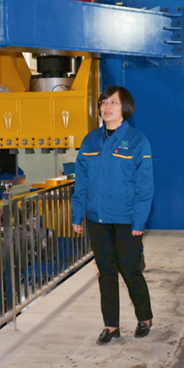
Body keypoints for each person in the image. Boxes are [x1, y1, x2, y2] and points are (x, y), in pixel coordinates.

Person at [71, 85, 155, 345]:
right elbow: (81, 181)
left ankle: (144, 317)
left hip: (126, 219)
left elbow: (145, 186)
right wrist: (77, 214)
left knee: (130, 269)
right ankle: (111, 326)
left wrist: (139, 221)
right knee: (106, 271)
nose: (107, 107)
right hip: (97, 218)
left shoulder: (138, 141)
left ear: (125, 108)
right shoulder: (90, 140)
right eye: (104, 102)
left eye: (113, 103)